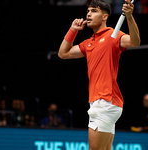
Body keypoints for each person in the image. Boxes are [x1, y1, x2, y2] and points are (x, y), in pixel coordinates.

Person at [58, 0, 140, 149]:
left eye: (94, 11)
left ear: (104, 17)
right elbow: (63, 53)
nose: (88, 14)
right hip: (102, 102)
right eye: (88, 11)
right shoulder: (89, 43)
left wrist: (129, 16)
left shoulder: (113, 35)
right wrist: (73, 30)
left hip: (105, 101)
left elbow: (134, 41)